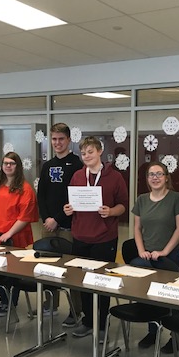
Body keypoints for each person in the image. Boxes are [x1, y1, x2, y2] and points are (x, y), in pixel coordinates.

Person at [64, 136, 128, 339]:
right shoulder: (77, 176)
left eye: (90, 152)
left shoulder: (115, 177)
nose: (86, 156)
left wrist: (111, 211)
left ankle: (101, 324)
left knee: (101, 282)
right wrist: (68, 209)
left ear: (100, 151)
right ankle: (88, 321)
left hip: (104, 237)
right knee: (83, 282)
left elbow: (123, 206)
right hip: (81, 235)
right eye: (83, 153)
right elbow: (72, 203)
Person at [130, 161, 179, 348]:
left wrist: (164, 252)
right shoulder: (142, 200)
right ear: (147, 179)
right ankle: (152, 332)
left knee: (172, 298)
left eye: (159, 174)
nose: (155, 178)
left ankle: (175, 337)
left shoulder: (175, 198)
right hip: (147, 258)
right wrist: (141, 250)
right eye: (151, 174)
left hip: (169, 257)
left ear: (166, 177)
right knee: (150, 296)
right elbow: (137, 228)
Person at [0, 152, 39, 316]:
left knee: (11, 273)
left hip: (14, 236)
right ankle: (3, 300)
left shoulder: (25, 189)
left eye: (12, 163)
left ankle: (10, 303)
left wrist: (9, 233)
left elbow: (25, 217)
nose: (8, 166)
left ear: (18, 166)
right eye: (5, 163)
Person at [37, 123, 83, 324]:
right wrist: (47, 218)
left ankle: (76, 310)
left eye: (61, 139)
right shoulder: (47, 165)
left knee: (71, 270)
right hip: (48, 225)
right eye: (54, 139)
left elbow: (74, 198)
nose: (57, 143)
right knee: (48, 267)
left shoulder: (77, 165)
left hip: (68, 226)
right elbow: (42, 196)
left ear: (68, 140)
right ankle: (51, 303)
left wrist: (57, 219)